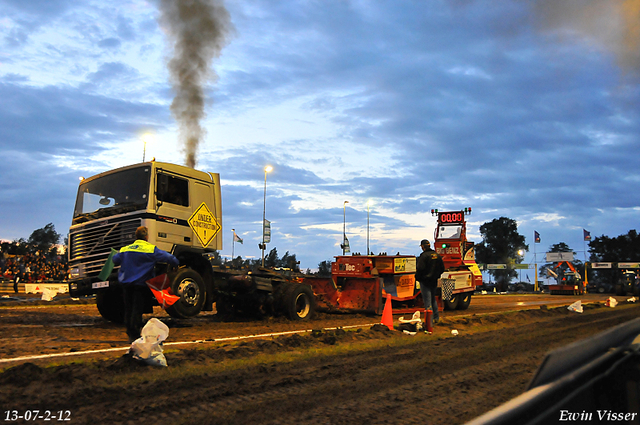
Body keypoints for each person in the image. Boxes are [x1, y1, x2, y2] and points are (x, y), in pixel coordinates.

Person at [112, 226, 179, 342]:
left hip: (126, 283)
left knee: (128, 308)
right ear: (146, 237)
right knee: (137, 309)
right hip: (140, 284)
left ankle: (130, 332)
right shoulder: (150, 249)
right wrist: (175, 263)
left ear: (136, 236)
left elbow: (114, 259)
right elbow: (169, 257)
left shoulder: (125, 249)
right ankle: (134, 334)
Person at [415, 239, 445, 327]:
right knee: (433, 299)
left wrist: (418, 277)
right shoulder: (437, 255)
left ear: (423, 247)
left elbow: (420, 268)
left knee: (427, 301)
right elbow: (442, 268)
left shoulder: (424, 256)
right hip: (434, 281)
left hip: (425, 281)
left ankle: (429, 322)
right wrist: (436, 275)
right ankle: (436, 318)